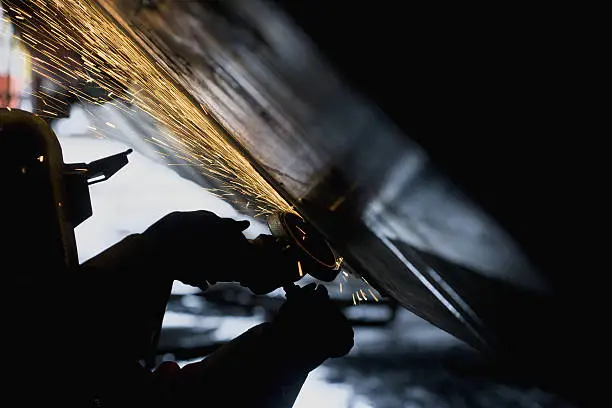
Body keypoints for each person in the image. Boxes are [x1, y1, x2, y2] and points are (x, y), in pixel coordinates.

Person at [1, 107, 354, 407]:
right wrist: (285, 354)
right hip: (46, 364)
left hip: (44, 335)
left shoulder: (41, 320)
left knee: (177, 238)